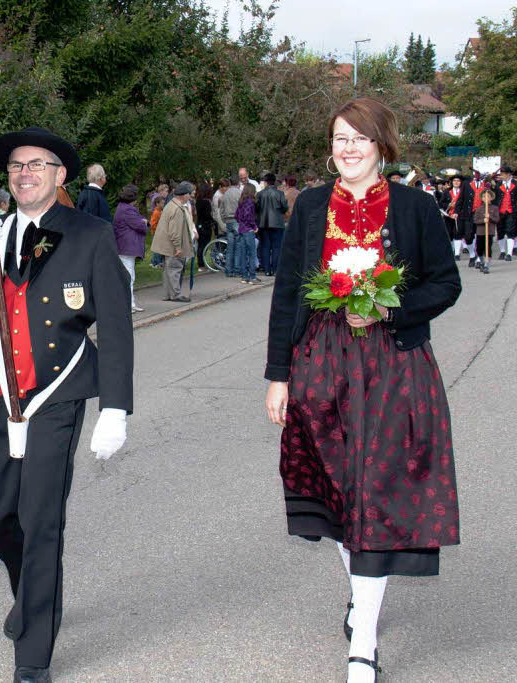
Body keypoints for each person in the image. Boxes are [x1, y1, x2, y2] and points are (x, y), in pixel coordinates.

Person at [264, 97, 461, 683]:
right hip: (320, 365)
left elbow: (445, 284)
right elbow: (287, 294)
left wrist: (388, 305)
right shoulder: (310, 208)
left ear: (382, 146)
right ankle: (361, 591)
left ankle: (364, 644)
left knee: (376, 491)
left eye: (359, 138)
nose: (347, 149)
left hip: (393, 367)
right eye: (340, 138)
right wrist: (278, 374)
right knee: (336, 492)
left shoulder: (415, 207)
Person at [0, 126, 133, 683]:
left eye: (37, 165)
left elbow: (114, 326)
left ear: (59, 175)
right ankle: (31, 590)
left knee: (41, 521)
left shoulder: (88, 235)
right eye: (16, 166)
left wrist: (115, 407)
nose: (24, 173)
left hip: (53, 398)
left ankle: (34, 651)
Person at [152, 181, 196, 302]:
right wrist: (178, 247)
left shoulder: (171, 205)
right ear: (183, 195)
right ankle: (175, 294)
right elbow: (175, 232)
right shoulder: (177, 209)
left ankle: (167, 294)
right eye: (189, 194)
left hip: (165, 245)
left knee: (168, 270)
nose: (190, 196)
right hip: (172, 246)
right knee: (175, 269)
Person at [112, 184, 148, 312]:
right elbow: (140, 226)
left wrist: (142, 221)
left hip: (124, 247)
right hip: (126, 247)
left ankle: (130, 303)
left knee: (129, 276)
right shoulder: (128, 210)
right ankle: (128, 304)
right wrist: (144, 222)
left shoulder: (123, 208)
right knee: (128, 277)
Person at [256, 172, 289, 277]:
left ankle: (266, 270)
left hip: (263, 223)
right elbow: (285, 207)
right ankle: (275, 269)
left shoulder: (260, 194)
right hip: (277, 223)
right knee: (276, 247)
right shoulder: (280, 194)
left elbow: (256, 208)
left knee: (265, 247)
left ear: (266, 182)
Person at [233, 183, 259, 284]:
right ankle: (252, 276)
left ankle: (244, 276)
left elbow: (236, 215)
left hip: (241, 229)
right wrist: (254, 226)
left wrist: (241, 223)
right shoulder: (250, 202)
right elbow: (249, 216)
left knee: (243, 254)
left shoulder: (241, 201)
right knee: (252, 254)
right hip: (248, 230)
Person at [218, 176, 242, 277]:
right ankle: (237, 269)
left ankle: (228, 270)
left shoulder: (225, 194)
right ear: (238, 183)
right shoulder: (239, 193)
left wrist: (224, 219)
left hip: (228, 221)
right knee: (238, 246)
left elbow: (221, 209)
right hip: (237, 220)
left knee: (230, 246)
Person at [474, 187, 499, 273]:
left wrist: (490, 217)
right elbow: (475, 220)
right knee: (479, 249)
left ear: (491, 198)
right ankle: (481, 261)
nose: (486, 198)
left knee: (488, 248)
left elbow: (497, 219)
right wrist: (483, 220)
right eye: (484, 196)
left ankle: (486, 265)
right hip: (480, 232)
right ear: (482, 198)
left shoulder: (494, 208)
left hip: (490, 232)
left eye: (488, 196)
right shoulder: (479, 209)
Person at [494, 166, 515, 260]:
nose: (502, 176)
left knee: (510, 232)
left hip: (512, 212)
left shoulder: (516, 184)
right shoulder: (498, 185)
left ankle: (509, 254)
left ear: (509, 174)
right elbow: (494, 199)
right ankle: (502, 251)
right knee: (500, 232)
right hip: (500, 211)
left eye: (503, 174)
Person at [441, 174, 463, 260]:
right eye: (454, 181)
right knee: (449, 234)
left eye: (458, 181)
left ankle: (457, 253)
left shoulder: (463, 192)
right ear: (452, 182)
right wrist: (448, 204)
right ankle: (451, 252)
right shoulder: (447, 192)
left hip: (459, 216)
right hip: (448, 216)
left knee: (457, 234)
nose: (456, 182)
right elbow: (441, 203)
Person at [195, 181, 215, 269]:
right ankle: (201, 263)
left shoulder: (198, 201)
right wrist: (213, 220)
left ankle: (201, 263)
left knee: (201, 245)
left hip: (199, 224)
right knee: (204, 245)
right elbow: (208, 215)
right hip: (205, 226)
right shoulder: (206, 202)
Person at [149, 194, 166, 267]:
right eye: (162, 203)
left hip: (160, 233)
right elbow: (152, 224)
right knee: (157, 249)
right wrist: (158, 230)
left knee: (159, 248)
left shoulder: (160, 211)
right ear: (157, 204)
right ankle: (157, 263)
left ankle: (154, 262)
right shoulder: (156, 213)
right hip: (156, 234)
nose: (163, 204)